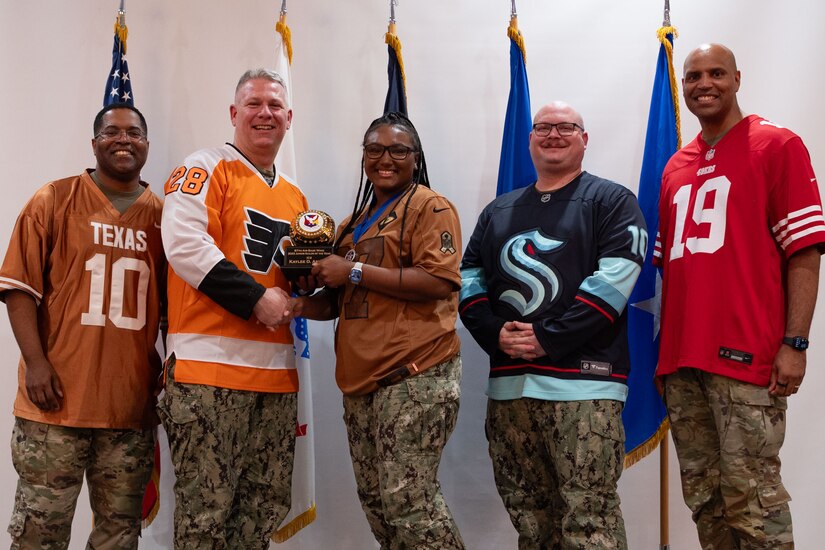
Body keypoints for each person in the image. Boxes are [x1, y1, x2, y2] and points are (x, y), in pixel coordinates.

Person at [654, 43, 825, 549]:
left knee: (753, 501)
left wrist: (796, 343)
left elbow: (805, 252)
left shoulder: (776, 145)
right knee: (706, 501)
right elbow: (670, 272)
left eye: (716, 73)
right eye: (692, 76)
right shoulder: (674, 166)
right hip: (684, 360)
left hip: (747, 355)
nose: (703, 84)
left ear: (737, 79)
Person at [460, 101, 645, 549]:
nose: (554, 135)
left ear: (584, 138)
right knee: (530, 518)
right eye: (543, 127)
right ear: (530, 141)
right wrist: (493, 333)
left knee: (589, 518)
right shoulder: (498, 211)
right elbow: (468, 277)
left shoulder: (612, 201)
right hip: (510, 390)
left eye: (567, 127)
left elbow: (615, 281)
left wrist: (547, 338)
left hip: (583, 387)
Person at [294, 112, 465, 549]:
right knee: (377, 502)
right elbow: (340, 301)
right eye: (374, 149)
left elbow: (437, 281)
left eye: (398, 150)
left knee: (410, 502)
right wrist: (299, 298)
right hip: (362, 384)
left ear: (415, 157)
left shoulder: (431, 206)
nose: (385, 158)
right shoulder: (354, 222)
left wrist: (350, 271)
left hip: (414, 375)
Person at [0, 103, 164, 549]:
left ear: (147, 145)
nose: (124, 140)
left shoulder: (165, 217)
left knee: (118, 536)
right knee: (39, 534)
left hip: (128, 405)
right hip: (56, 401)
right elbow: (18, 291)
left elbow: (175, 310)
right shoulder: (53, 199)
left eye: (134, 133)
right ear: (94, 144)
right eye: (112, 132)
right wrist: (35, 363)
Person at [157, 68, 307, 549]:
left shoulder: (295, 196)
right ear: (234, 113)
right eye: (254, 103)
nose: (265, 113)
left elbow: (294, 279)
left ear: (289, 118)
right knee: (207, 513)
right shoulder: (204, 167)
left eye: (275, 106)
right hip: (208, 374)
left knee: (261, 510)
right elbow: (183, 244)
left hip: (275, 376)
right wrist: (254, 298)